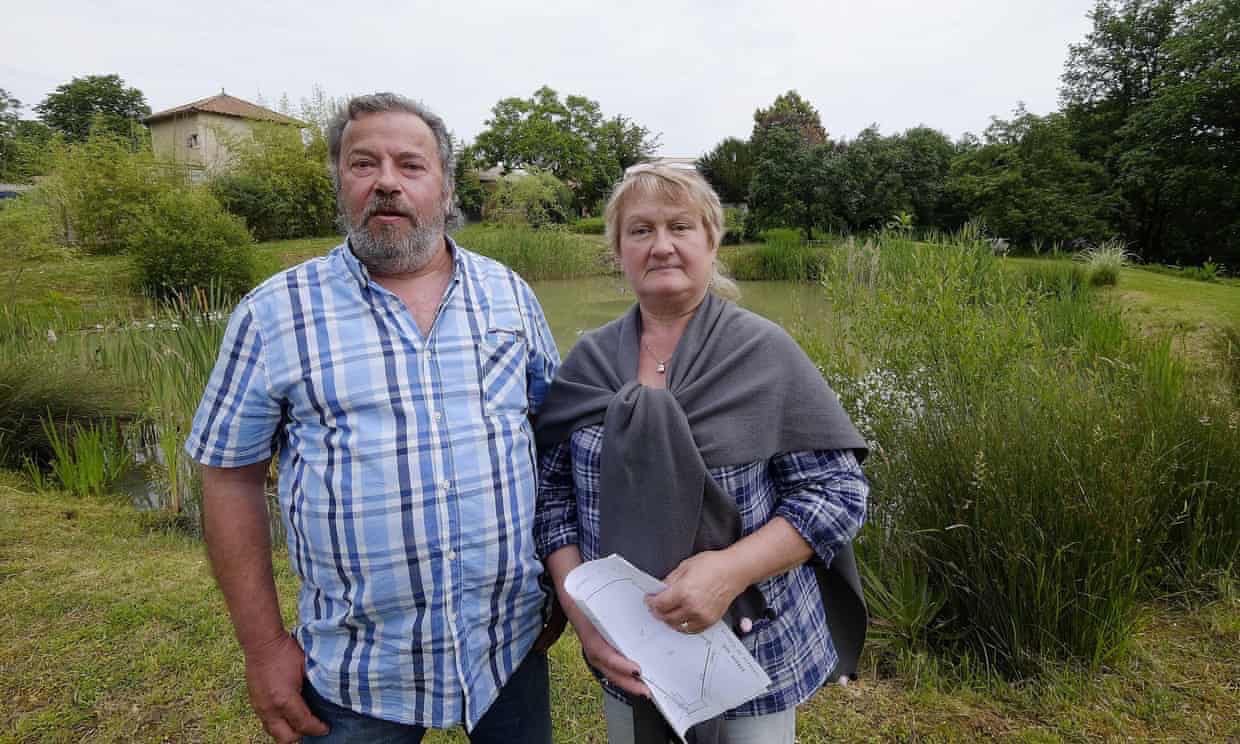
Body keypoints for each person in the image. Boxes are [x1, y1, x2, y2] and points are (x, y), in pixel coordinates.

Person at [186, 93, 562, 744]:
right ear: (340, 183)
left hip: (509, 645)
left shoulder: (510, 295)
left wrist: (558, 580)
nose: (387, 181)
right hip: (358, 671)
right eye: (364, 164)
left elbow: (548, 441)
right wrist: (264, 647)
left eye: (411, 165)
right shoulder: (274, 313)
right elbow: (229, 478)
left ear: (446, 187)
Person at [533, 165, 869, 744]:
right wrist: (583, 615)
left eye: (680, 227)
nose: (661, 245)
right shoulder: (588, 363)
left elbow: (837, 495)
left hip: (755, 648)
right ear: (618, 251)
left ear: (712, 241)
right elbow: (554, 500)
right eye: (641, 230)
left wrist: (730, 570)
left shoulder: (764, 354)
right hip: (628, 652)